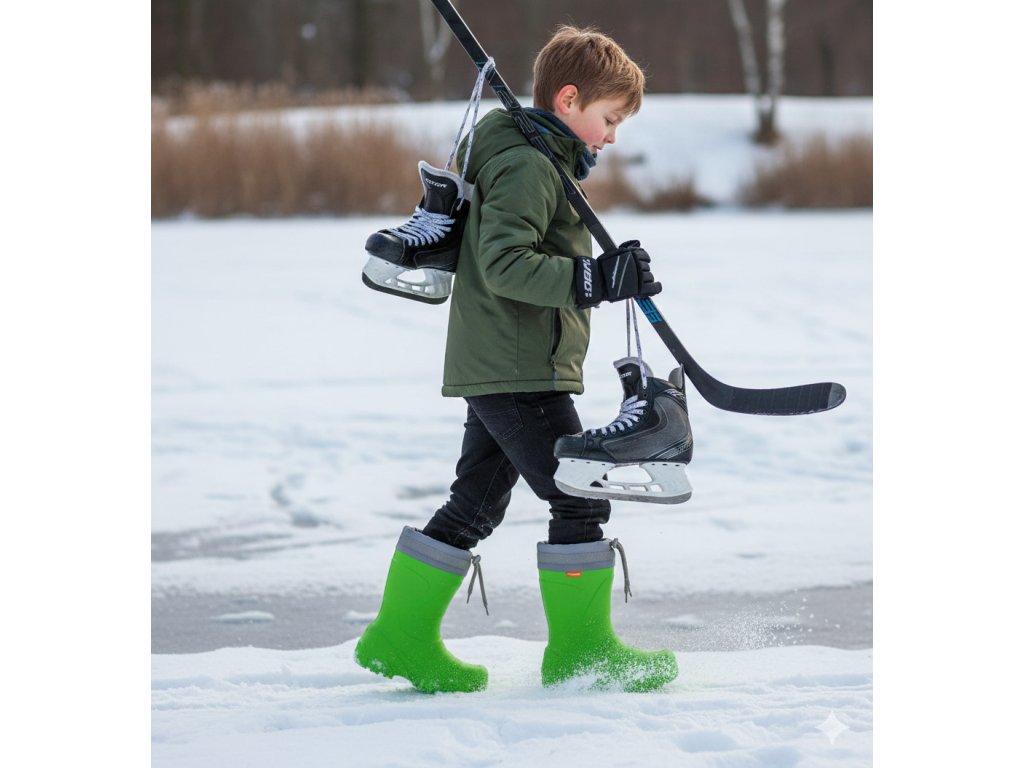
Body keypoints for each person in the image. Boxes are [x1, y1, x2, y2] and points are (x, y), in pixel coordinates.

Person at [354, 25, 678, 693]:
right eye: (610, 118)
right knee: (579, 493)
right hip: (518, 364)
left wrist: (608, 274)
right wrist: (594, 280)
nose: (612, 137)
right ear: (568, 100)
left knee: (475, 501)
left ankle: (399, 636)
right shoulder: (530, 164)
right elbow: (505, 264)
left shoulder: (534, 156)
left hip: (504, 361)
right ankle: (582, 655)